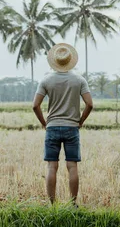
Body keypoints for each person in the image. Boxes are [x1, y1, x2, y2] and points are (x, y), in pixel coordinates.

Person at [32, 43, 93, 206]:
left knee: (52, 166)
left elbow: (35, 105)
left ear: (54, 61)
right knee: (72, 166)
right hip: (72, 127)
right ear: (70, 60)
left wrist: (45, 123)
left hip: (52, 127)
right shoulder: (79, 80)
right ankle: (73, 204)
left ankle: (52, 204)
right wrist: (80, 121)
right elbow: (90, 104)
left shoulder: (46, 80)